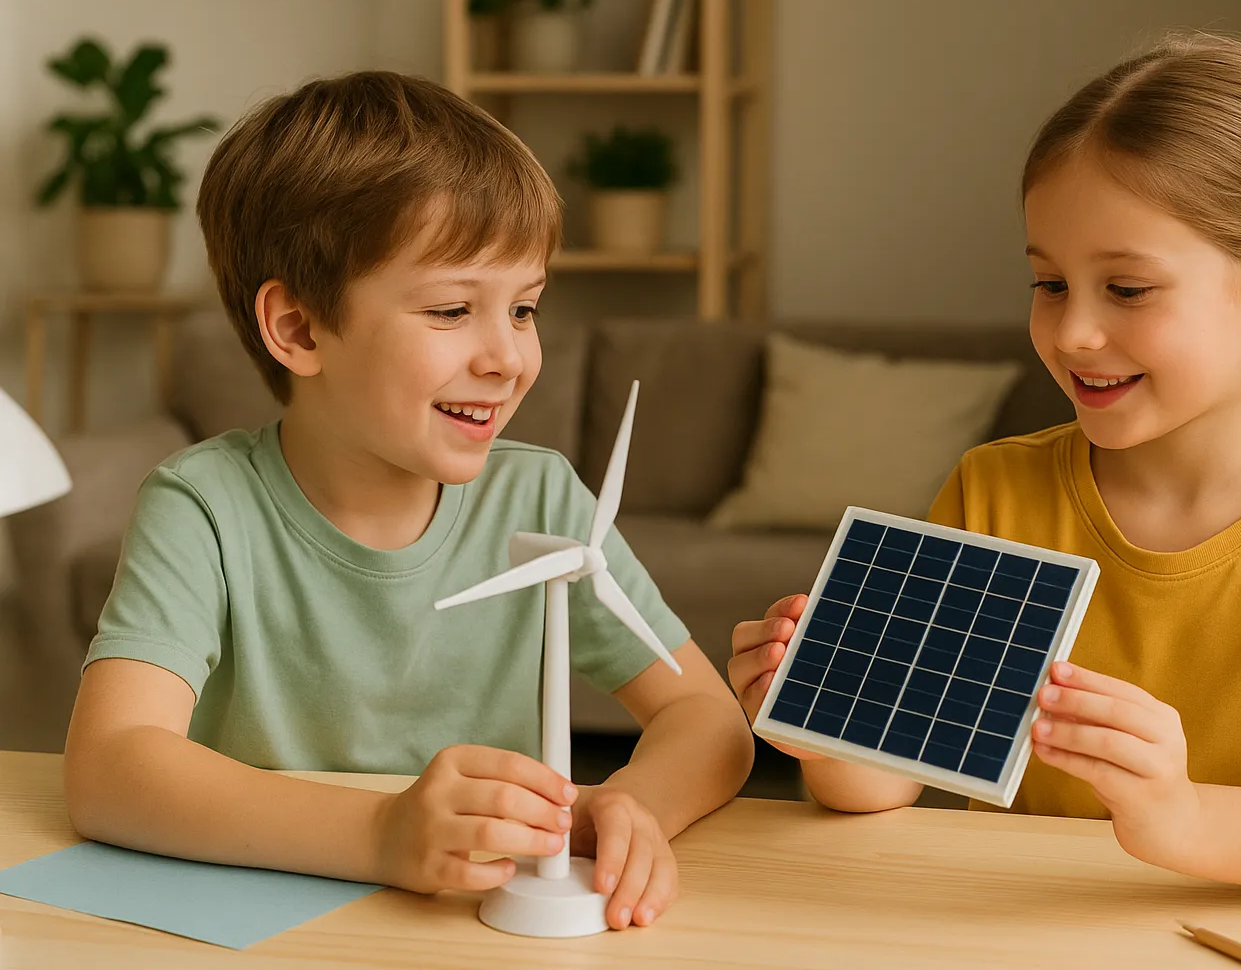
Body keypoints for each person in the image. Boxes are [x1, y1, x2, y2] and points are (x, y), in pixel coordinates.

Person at [729, 33, 1241, 898]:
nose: (1072, 333)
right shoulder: (993, 491)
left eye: (1126, 289)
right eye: (1049, 284)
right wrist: (818, 719)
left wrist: (1187, 817)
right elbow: (875, 786)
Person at [63, 71, 753, 931]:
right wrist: (383, 831)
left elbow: (707, 719)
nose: (508, 357)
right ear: (301, 330)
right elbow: (110, 767)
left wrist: (628, 805)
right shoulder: (201, 506)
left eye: (526, 308)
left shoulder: (538, 497)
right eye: (454, 309)